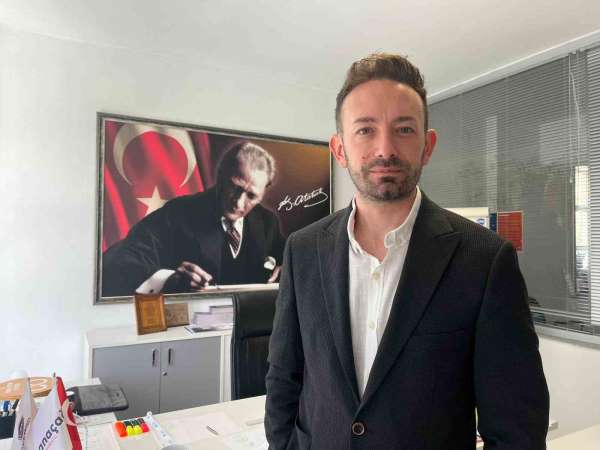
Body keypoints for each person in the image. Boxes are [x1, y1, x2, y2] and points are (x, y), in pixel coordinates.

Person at [265, 53, 549, 449]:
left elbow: (518, 427)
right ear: (340, 149)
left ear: (427, 146)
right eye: (365, 130)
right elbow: (284, 377)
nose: (385, 148)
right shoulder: (303, 249)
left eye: (403, 129)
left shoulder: (485, 259)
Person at [102, 141, 285, 296]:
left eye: (251, 196)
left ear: (263, 193)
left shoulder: (267, 222)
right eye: (234, 187)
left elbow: (288, 258)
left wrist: (287, 269)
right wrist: (170, 279)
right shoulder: (178, 213)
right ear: (220, 175)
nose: (238, 202)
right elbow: (120, 259)